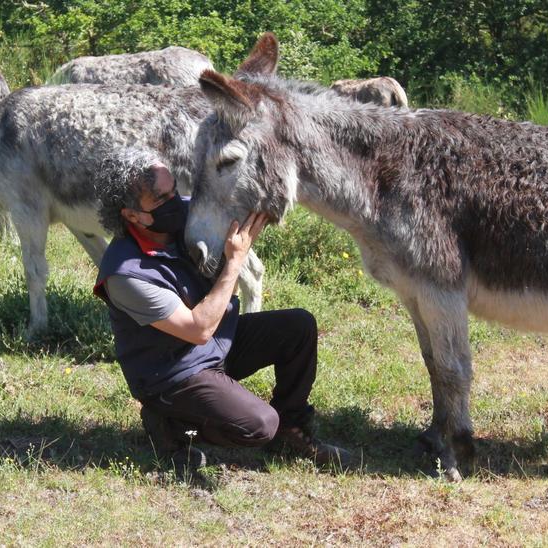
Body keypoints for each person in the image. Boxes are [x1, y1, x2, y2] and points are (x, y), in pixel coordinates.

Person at [93, 150, 354, 473]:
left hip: (216, 345)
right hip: (172, 375)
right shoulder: (125, 274)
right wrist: (234, 263)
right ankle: (170, 425)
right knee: (260, 425)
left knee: (297, 327)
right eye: (162, 198)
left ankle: (291, 430)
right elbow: (197, 328)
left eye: (174, 189)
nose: (177, 201)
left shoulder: (188, 218)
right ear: (132, 216)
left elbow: (248, 204)